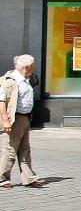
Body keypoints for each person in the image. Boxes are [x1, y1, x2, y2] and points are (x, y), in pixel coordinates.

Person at [0, 55, 45, 188]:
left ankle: (29, 178)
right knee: (10, 149)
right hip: (15, 119)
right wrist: (6, 121)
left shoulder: (26, 80)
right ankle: (2, 178)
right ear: (26, 67)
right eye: (33, 66)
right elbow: (2, 102)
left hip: (25, 118)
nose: (34, 68)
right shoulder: (10, 81)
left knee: (25, 149)